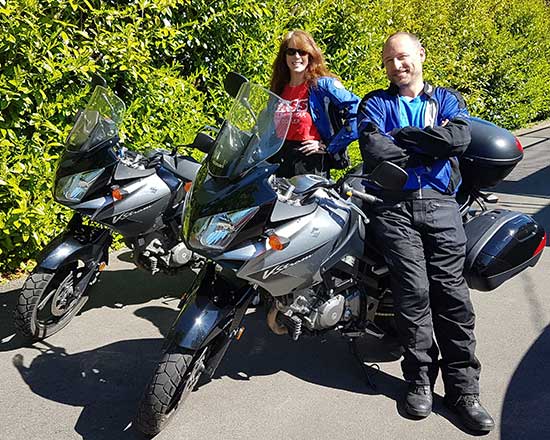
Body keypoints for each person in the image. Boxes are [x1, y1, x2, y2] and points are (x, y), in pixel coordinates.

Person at [357, 32, 494, 432]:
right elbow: (374, 150)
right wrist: (430, 145)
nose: (397, 65)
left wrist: (403, 137)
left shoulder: (448, 100)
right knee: (412, 294)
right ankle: (418, 381)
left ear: (420, 54)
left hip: (441, 204)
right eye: (389, 60)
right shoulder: (374, 102)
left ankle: (464, 392)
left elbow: (459, 138)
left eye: (403, 57)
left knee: (452, 296)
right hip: (393, 206)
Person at [269, 29, 360, 178]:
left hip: (310, 165)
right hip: (278, 162)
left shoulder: (322, 86)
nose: (296, 56)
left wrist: (330, 146)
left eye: (302, 52)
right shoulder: (279, 88)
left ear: (310, 55)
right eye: (291, 51)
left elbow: (359, 112)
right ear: (284, 56)